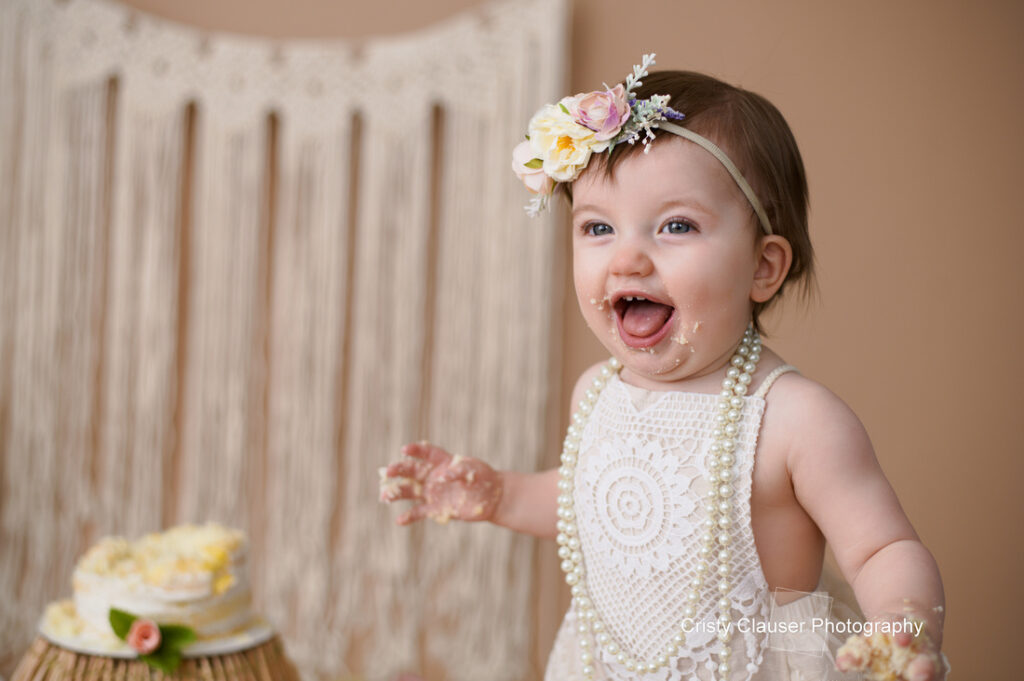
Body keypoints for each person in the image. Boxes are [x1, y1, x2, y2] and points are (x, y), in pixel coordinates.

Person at [379, 55, 947, 681]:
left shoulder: (794, 419)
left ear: (763, 268)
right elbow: (589, 505)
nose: (627, 258)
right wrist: (502, 495)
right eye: (598, 227)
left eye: (676, 226)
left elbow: (881, 548)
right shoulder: (595, 393)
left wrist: (903, 624)